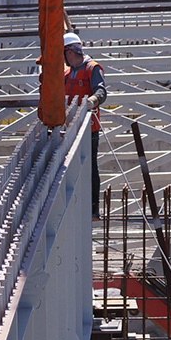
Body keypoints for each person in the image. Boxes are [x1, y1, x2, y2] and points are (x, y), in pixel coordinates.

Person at [63, 32, 108, 218]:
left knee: (90, 166)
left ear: (69, 52)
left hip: (89, 128)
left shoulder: (92, 68)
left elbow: (101, 91)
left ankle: (93, 209)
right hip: (69, 128)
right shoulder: (66, 74)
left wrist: (92, 101)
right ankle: (73, 205)